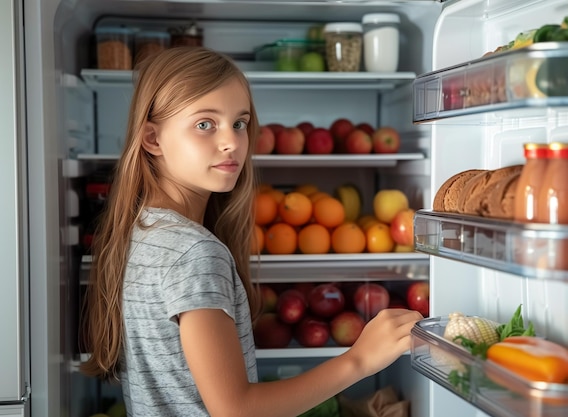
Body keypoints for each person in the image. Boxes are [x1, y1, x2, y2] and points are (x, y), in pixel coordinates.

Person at [80, 46, 423, 417]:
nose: (231, 141)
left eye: (239, 123)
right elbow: (236, 411)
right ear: (153, 139)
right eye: (205, 124)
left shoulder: (144, 230)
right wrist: (359, 360)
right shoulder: (195, 253)